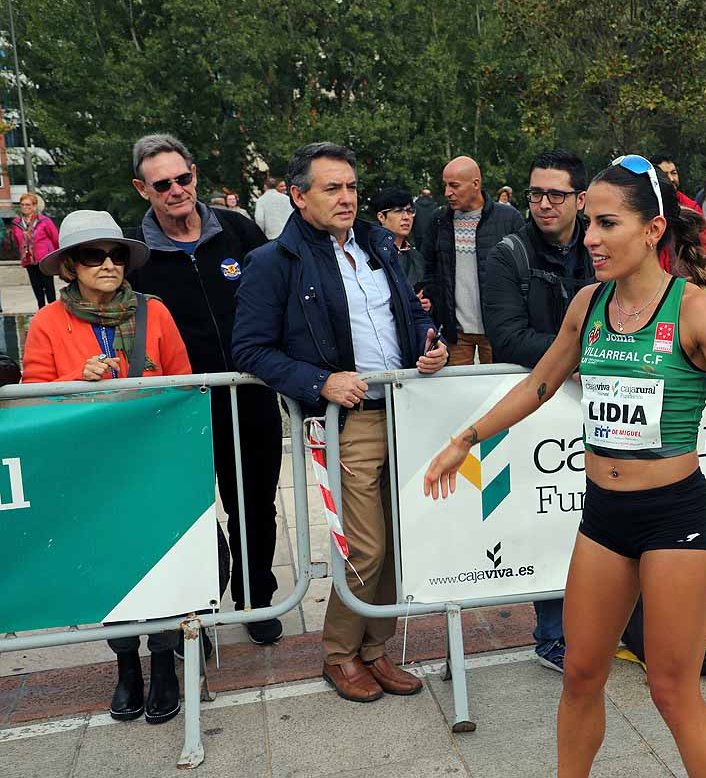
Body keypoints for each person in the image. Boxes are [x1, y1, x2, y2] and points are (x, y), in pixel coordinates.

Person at [423, 154, 706, 778]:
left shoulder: (695, 310)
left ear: (651, 231)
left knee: (673, 693)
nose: (589, 238)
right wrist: (467, 439)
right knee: (581, 677)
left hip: (675, 520)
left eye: (606, 224)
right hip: (604, 517)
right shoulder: (588, 303)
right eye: (588, 223)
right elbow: (539, 385)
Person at [232, 141, 449, 702]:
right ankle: (340, 653)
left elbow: (410, 313)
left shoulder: (379, 247)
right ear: (298, 196)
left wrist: (430, 345)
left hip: (406, 409)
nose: (347, 197)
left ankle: (376, 649)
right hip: (347, 420)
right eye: (333, 188)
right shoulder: (271, 264)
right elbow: (250, 350)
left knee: (401, 540)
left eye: (352, 186)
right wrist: (319, 382)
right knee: (366, 547)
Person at [22, 210, 191, 724]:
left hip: (152, 463)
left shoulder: (154, 312)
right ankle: (126, 666)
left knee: (159, 563)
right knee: (108, 567)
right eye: (93, 255)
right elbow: (29, 400)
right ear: (69, 266)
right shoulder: (48, 321)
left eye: (117, 254)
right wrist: (79, 378)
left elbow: (187, 381)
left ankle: (164, 663)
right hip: (89, 470)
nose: (109, 264)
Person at [125, 133, 285, 647]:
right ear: (142, 189)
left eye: (183, 178)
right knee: (190, 511)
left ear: (195, 173)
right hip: (180, 407)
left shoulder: (237, 229)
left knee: (255, 504)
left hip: (251, 392)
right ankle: (199, 603)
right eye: (163, 183)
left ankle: (257, 596)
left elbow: (279, 291)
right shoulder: (136, 256)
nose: (177, 190)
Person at [481, 149, 595, 673]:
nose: (544, 204)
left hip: (606, 404)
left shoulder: (601, 244)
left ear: (581, 199)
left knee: (603, 514)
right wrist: (580, 354)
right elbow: (506, 336)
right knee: (552, 518)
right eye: (535, 194)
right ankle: (553, 634)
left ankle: (607, 623)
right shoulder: (509, 252)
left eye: (556, 194)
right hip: (541, 408)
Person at [424, 156, 524, 366]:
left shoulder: (509, 218)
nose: (447, 192)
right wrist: (434, 301)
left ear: (476, 184)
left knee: (500, 394)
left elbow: (525, 271)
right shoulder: (438, 220)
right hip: (455, 332)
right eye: (445, 185)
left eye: (454, 185)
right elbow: (429, 267)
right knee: (459, 395)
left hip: (498, 330)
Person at [371, 186, 430, 312]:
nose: (406, 217)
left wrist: (426, 305)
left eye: (409, 211)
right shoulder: (370, 255)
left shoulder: (416, 257)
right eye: (398, 211)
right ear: (381, 217)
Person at [653, 156, 706, 258]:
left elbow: (704, 245)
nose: (671, 179)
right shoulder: (643, 206)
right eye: (664, 174)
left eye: (674, 173)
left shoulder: (691, 206)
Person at [13, 192, 59, 308]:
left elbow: (55, 238)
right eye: (23, 205)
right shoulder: (17, 223)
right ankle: (41, 310)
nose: (25, 207)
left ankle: (53, 309)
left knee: (48, 286)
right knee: (36, 286)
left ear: (34, 206)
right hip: (29, 259)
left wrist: (57, 256)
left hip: (44, 259)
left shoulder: (44, 221)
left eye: (28, 205)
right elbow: (17, 240)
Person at [254, 174, 293, 240]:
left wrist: (260, 235)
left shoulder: (261, 200)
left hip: (271, 236)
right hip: (288, 235)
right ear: (276, 186)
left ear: (265, 186)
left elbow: (259, 219)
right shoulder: (286, 198)